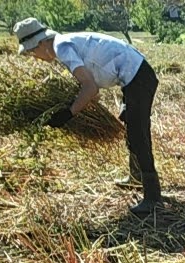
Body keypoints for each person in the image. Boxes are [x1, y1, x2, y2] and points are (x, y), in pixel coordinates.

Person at [13, 18, 161, 216]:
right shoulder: (65, 44)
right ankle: (135, 177)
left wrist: (69, 113)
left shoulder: (62, 47)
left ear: (41, 43)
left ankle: (153, 197)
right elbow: (93, 89)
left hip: (138, 77)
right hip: (133, 76)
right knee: (131, 126)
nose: (35, 57)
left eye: (32, 51)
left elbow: (89, 87)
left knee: (138, 134)